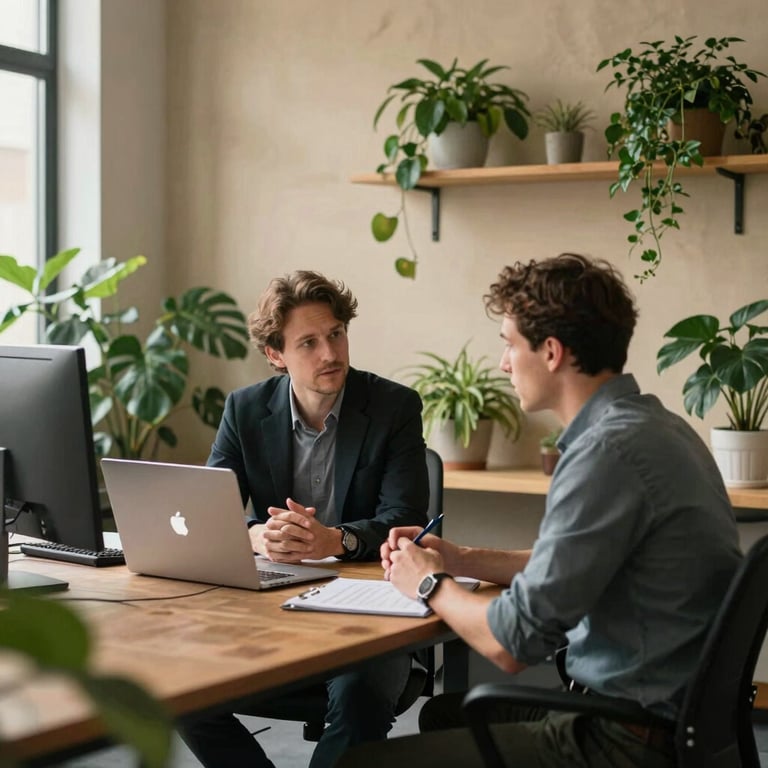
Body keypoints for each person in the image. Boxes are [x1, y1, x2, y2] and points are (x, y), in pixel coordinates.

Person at [338, 252, 742, 768]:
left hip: (622, 738)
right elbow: (569, 561)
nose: (504, 362)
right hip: (675, 719)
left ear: (551, 352)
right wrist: (460, 558)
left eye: (509, 344)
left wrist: (427, 583)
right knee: (444, 715)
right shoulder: (656, 428)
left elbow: (511, 644)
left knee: (358, 765)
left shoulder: (606, 455)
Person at [180, 270, 429, 768]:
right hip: (272, 601)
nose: (330, 354)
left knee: (360, 692)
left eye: (336, 334)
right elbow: (211, 510)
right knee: (179, 683)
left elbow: (407, 520)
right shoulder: (245, 409)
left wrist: (333, 539)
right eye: (309, 343)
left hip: (368, 605)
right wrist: (257, 536)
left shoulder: (394, 406)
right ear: (276, 354)